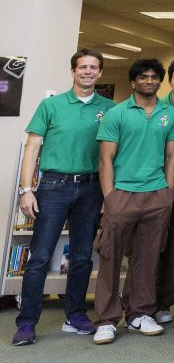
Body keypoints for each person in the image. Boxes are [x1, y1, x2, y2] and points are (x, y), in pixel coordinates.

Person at [13, 49, 115, 346]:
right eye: (82, 67)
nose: (87, 71)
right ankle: (27, 322)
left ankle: (75, 315)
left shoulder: (110, 108)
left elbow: (114, 154)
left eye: (93, 67)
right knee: (40, 256)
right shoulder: (51, 105)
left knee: (82, 256)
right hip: (54, 186)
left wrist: (109, 195)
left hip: (91, 187)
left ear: (100, 73)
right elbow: (32, 149)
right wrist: (26, 189)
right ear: (73, 71)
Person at [93, 58, 174, 344]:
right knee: (111, 256)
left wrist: (168, 193)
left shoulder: (171, 114)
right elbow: (105, 159)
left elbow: (171, 157)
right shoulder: (117, 113)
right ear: (133, 82)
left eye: (155, 77)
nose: (149, 81)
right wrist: (110, 198)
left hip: (156, 194)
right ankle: (106, 319)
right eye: (143, 77)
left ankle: (139, 313)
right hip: (122, 194)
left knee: (148, 257)